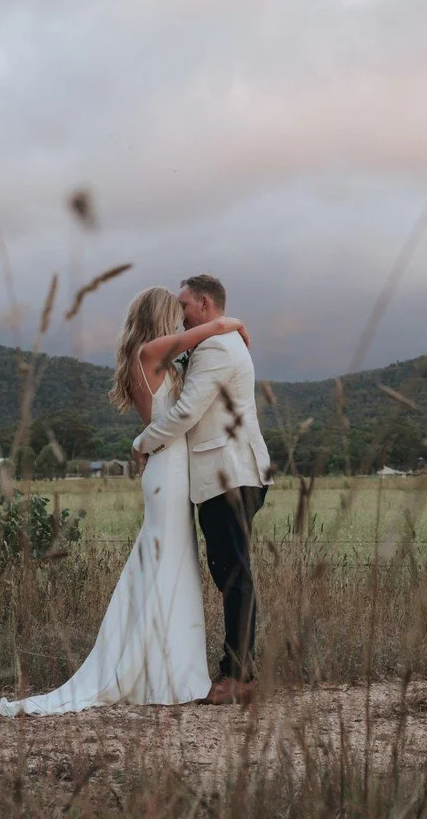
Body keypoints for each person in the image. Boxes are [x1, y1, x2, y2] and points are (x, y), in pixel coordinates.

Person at [0, 286, 250, 716]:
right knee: (168, 564)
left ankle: (165, 669)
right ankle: (161, 673)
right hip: (167, 474)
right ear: (159, 317)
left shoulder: (151, 359)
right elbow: (212, 328)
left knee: (169, 565)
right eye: (174, 314)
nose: (180, 322)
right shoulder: (149, 354)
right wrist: (233, 323)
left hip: (169, 472)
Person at [132, 274, 272, 705]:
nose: (180, 315)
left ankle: (239, 676)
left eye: (185, 306)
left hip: (228, 473)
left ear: (205, 303)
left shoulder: (214, 347)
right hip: (224, 473)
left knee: (233, 574)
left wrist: (142, 443)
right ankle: (236, 670)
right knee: (229, 571)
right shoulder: (211, 343)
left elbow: (189, 411)